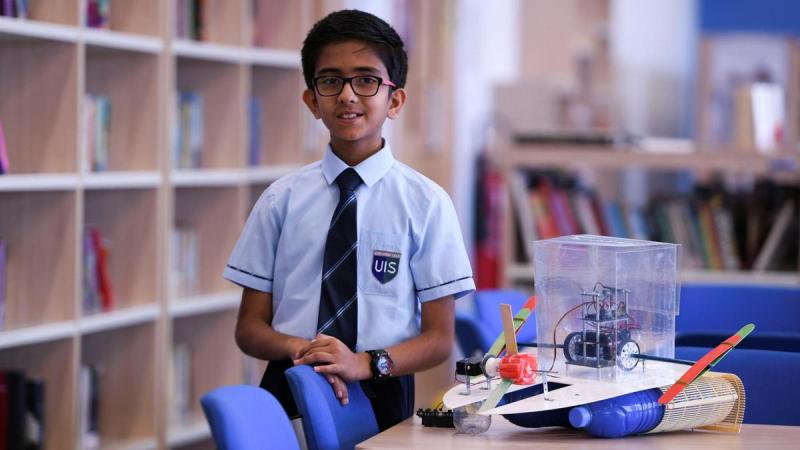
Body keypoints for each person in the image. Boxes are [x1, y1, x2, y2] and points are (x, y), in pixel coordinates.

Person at [223, 9, 474, 432]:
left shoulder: (427, 202)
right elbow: (249, 329)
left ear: (394, 100)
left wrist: (361, 363)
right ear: (311, 100)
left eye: (366, 80)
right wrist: (306, 349)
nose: (347, 95)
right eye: (330, 80)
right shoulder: (280, 200)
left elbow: (438, 341)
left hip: (382, 383)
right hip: (289, 379)